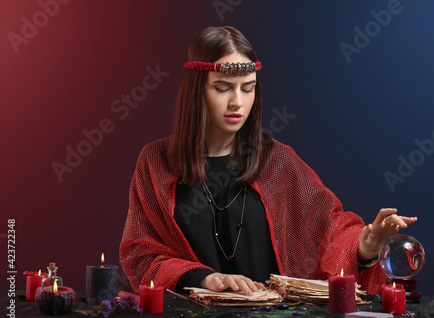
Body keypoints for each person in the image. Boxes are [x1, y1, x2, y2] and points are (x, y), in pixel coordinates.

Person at [119, 26, 417, 297]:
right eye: (223, 88)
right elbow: (141, 255)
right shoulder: (156, 162)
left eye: (247, 88)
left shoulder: (277, 162)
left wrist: (367, 243)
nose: (237, 101)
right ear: (197, 91)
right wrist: (205, 279)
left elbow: (332, 232)